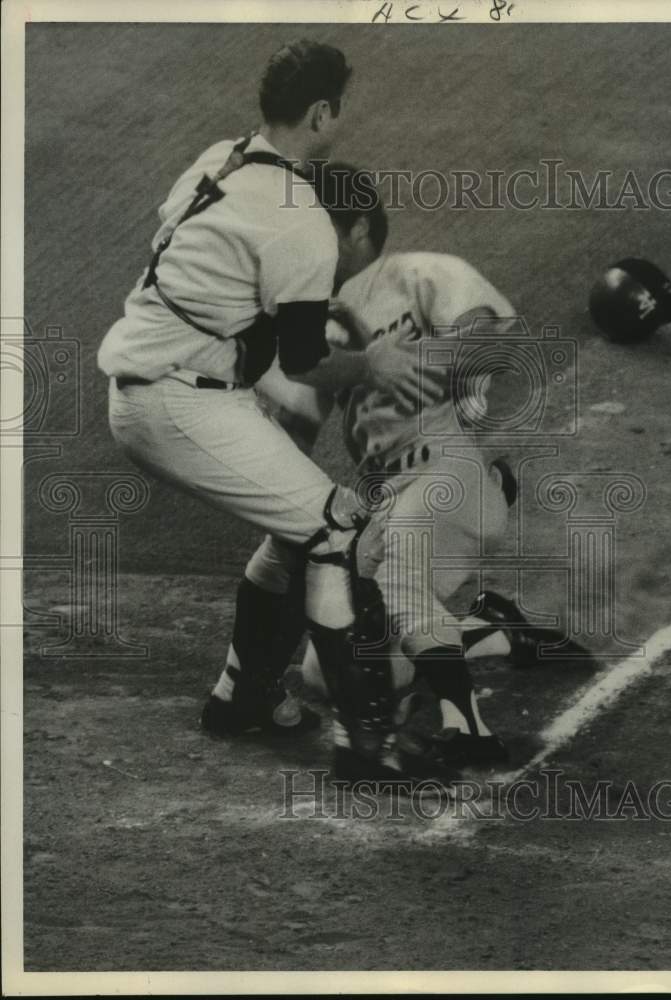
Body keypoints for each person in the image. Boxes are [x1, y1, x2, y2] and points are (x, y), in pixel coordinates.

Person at [97, 44, 452, 790]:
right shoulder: (302, 226)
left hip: (168, 386)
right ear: (321, 113)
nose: (340, 122)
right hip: (175, 401)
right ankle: (368, 744)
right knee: (341, 527)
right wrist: (374, 364)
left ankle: (242, 700)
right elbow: (302, 362)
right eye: (339, 109)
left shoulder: (219, 160)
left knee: (303, 533)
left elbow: (216, 293)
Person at [237, 164, 543, 767]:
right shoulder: (314, 321)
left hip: (446, 473)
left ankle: (469, 728)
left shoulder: (421, 273)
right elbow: (296, 429)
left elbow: (497, 341)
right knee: (334, 670)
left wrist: (414, 359)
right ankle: (493, 629)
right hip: (388, 496)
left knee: (400, 579)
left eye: (312, 228)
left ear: (354, 230)